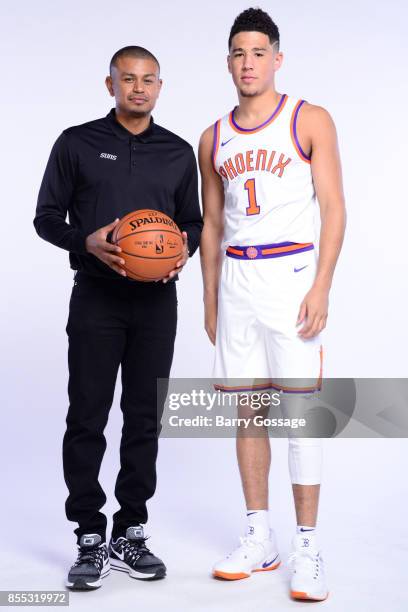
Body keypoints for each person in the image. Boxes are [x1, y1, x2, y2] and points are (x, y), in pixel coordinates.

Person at [34, 45, 203, 590]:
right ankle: (88, 531)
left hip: (157, 303)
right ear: (110, 86)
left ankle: (131, 529)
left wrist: (182, 249)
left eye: (149, 79)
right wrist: (82, 241)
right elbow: (44, 217)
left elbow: (193, 224)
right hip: (97, 299)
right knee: (87, 415)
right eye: (128, 79)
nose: (138, 88)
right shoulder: (76, 142)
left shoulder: (178, 153)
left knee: (144, 418)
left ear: (160, 86)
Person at [199, 8, 346, 602]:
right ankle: (260, 536)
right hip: (236, 281)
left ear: (277, 59)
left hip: (291, 277)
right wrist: (210, 298)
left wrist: (322, 285)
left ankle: (308, 546)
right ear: (228, 61)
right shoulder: (212, 136)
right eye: (238, 52)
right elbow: (211, 225)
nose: (248, 62)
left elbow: (334, 206)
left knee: (300, 413)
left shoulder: (309, 118)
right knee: (248, 412)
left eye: (259, 52)